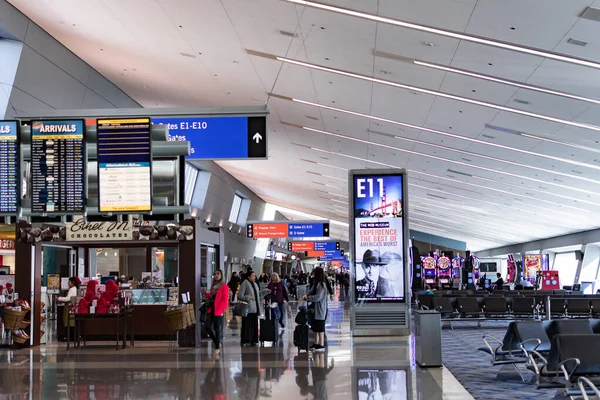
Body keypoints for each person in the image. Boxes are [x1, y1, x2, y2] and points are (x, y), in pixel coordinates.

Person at [204, 269, 229, 354]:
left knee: (217, 328)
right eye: (215, 274)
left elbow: (225, 298)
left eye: (218, 274)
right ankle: (216, 342)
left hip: (218, 309)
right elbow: (211, 296)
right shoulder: (213, 286)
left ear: (221, 275)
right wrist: (206, 294)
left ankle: (217, 347)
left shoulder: (224, 286)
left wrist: (223, 309)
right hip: (211, 308)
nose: (216, 275)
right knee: (207, 326)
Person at [303, 267, 328, 352]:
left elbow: (318, 297)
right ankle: (316, 343)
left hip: (320, 309)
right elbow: (310, 291)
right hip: (315, 309)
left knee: (320, 328)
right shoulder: (316, 284)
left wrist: (308, 298)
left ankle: (321, 345)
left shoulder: (321, 285)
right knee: (316, 327)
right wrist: (306, 295)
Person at [237, 271, 263, 346]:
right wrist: (249, 297)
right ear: (248, 277)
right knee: (246, 325)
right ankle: (245, 340)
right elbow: (240, 295)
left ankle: (253, 340)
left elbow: (257, 295)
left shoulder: (255, 284)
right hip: (247, 309)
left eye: (255, 276)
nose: (254, 277)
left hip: (255, 309)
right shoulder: (245, 283)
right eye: (253, 275)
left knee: (254, 325)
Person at [58, 277, 80, 341]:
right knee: (71, 322)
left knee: (68, 321)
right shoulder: (75, 289)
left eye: (69, 281)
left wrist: (59, 298)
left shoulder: (72, 289)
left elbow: (68, 298)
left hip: (69, 306)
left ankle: (68, 336)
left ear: (73, 282)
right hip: (72, 306)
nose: (68, 283)